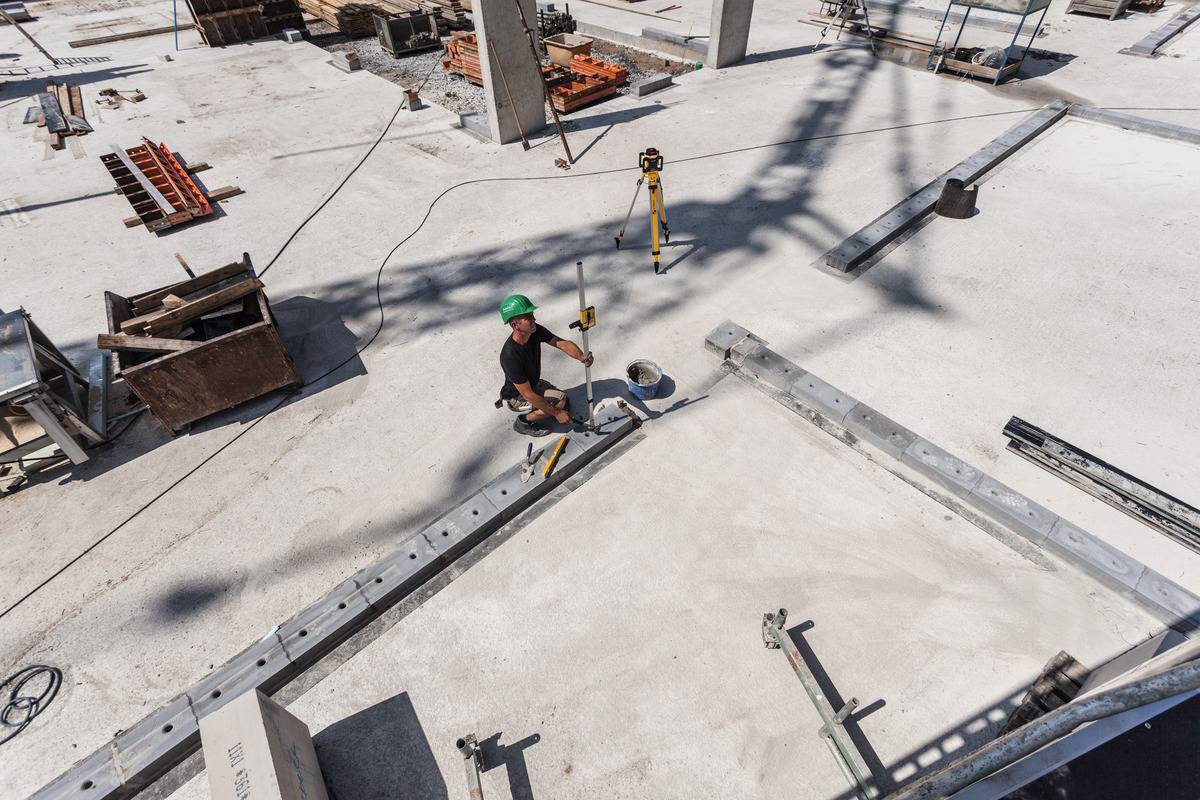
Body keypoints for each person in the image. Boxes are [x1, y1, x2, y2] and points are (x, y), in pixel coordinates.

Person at [498, 294, 594, 437]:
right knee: (560, 403)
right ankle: (523, 422)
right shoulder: (510, 356)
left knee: (563, 402)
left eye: (532, 314)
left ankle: (547, 407)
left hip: (532, 383)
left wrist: (582, 356)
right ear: (514, 324)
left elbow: (562, 343)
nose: (534, 319)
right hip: (518, 395)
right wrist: (557, 413)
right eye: (528, 317)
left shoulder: (534, 331)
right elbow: (528, 394)